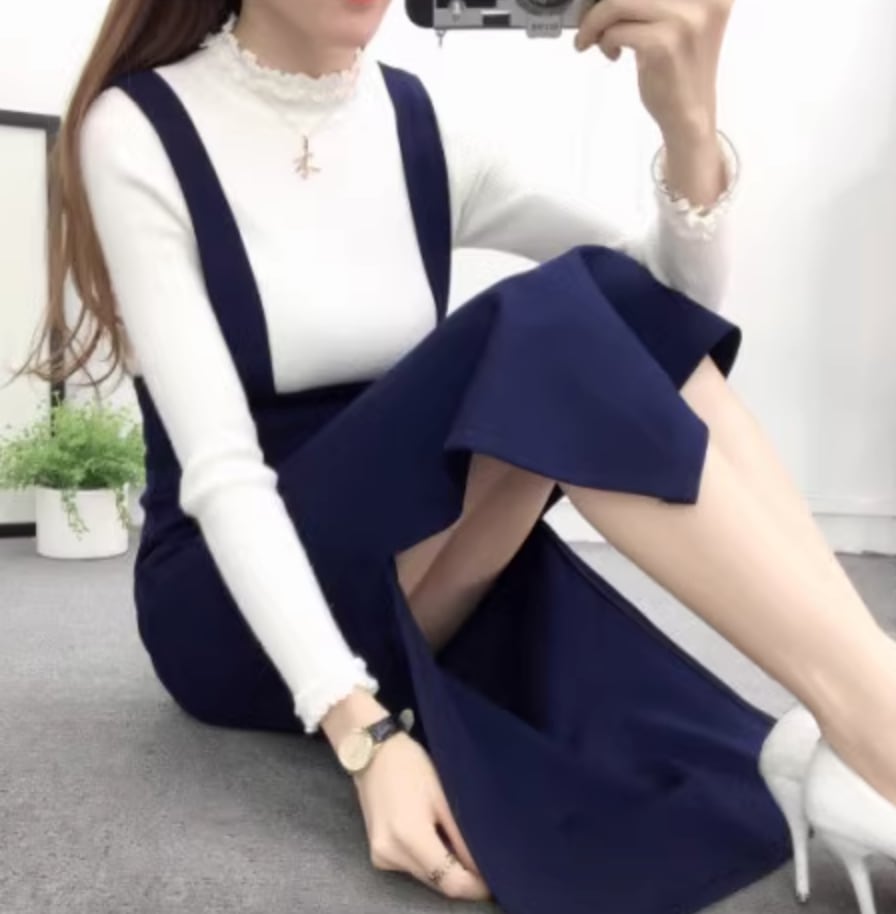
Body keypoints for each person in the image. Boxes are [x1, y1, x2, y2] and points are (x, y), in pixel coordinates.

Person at [29, 0, 896, 912]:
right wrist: (362, 733)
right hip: (228, 607)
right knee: (549, 322)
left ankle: (867, 700)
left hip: (406, 556)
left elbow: (660, 322)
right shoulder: (138, 129)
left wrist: (689, 127)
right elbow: (222, 475)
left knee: (603, 293)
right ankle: (878, 724)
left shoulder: (417, 120)